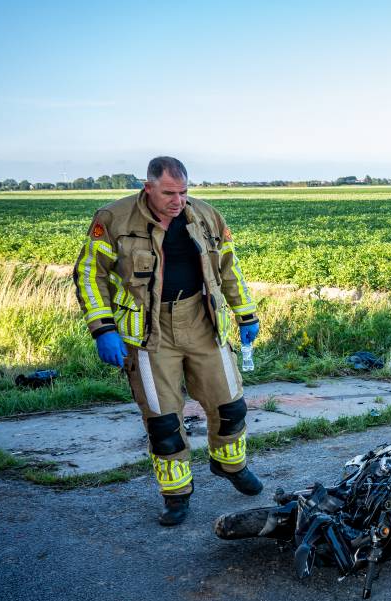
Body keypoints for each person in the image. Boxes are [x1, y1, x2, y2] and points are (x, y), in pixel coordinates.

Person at [73, 156, 262, 527]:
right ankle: (176, 495)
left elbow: (229, 268)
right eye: (169, 193)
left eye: (183, 192)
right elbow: (90, 274)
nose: (178, 201)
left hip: (203, 321)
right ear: (148, 188)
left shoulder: (207, 216)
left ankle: (231, 466)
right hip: (148, 331)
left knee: (230, 405)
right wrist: (103, 328)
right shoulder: (113, 219)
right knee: (163, 422)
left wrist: (247, 315)